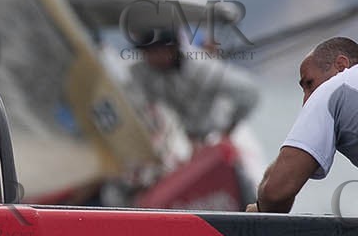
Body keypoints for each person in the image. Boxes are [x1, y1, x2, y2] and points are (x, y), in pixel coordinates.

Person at [255, 36, 358, 213]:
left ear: (341, 66)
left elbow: (276, 192)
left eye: (309, 83)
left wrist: (257, 209)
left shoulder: (334, 88)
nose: (306, 100)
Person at [127, 28, 259, 144]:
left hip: (222, 135)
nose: (149, 57)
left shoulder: (202, 67)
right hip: (187, 139)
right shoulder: (142, 71)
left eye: (154, 51)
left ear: (172, 49)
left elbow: (249, 92)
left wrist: (228, 131)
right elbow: (134, 102)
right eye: (146, 51)